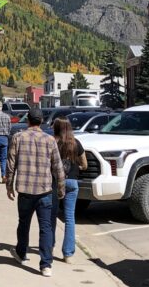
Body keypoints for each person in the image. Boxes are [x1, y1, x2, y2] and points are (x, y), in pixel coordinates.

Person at [5, 106, 65, 276]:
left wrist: (9, 185)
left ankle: (22, 253)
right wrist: (60, 188)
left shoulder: (18, 137)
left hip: (25, 189)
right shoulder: (50, 140)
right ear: (41, 121)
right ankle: (46, 264)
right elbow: (58, 167)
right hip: (45, 190)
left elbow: (11, 165)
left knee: (24, 223)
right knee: (46, 227)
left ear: (28, 120)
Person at [51, 117, 87, 263]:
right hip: (72, 181)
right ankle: (68, 253)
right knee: (70, 218)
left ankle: (49, 245)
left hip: (54, 181)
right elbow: (84, 164)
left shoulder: (53, 142)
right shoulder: (75, 143)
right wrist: (77, 167)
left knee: (51, 215)